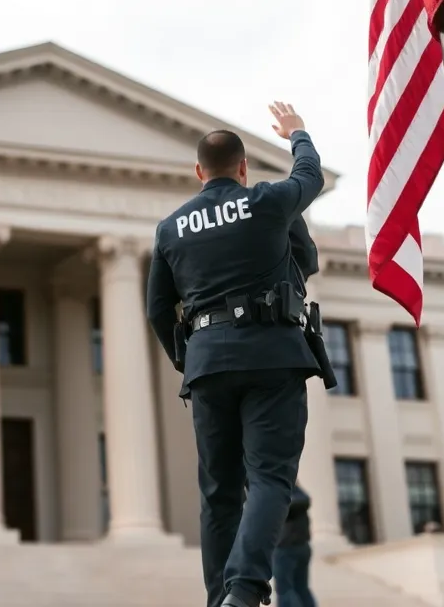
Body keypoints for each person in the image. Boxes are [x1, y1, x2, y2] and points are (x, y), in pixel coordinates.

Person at [146, 102, 324, 607]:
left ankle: (217, 597)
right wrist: (298, 134)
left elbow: (158, 308)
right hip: (272, 355)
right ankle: (243, 592)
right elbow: (309, 177)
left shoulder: (170, 229)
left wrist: (189, 357)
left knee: (219, 492)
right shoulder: (266, 203)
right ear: (243, 168)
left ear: (199, 172)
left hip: (207, 362)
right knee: (270, 476)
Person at [273, 483, 318, 607]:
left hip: (286, 547)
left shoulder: (275, 489)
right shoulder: (296, 491)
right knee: (301, 589)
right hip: (300, 546)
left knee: (285, 590)